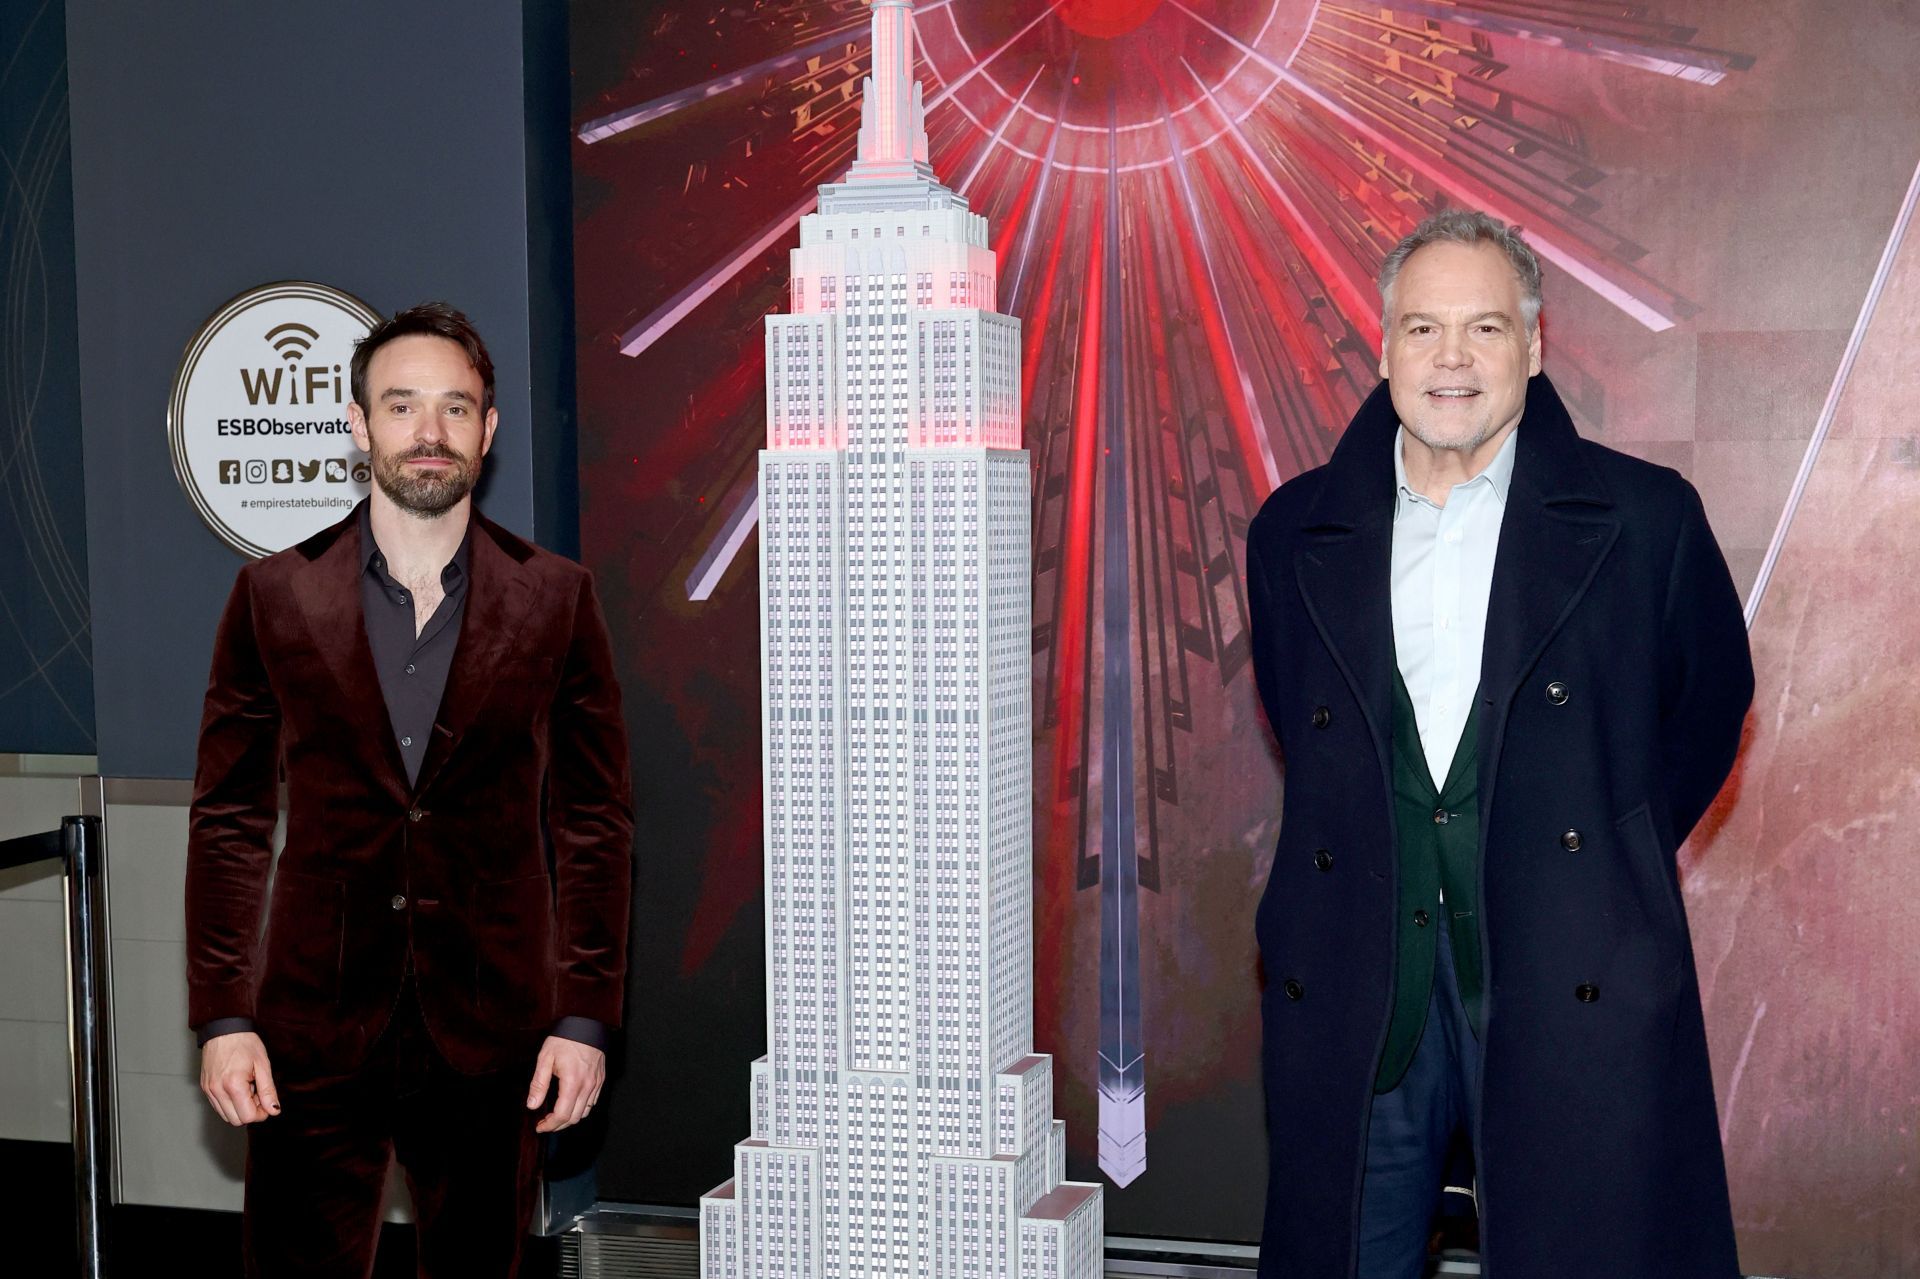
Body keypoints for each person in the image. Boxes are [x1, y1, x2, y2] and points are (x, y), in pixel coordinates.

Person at [1243, 210, 1751, 1278]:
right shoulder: (1292, 531)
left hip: (1569, 976)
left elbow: (1706, 710)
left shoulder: (1646, 519)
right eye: (1423, 330)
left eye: (1484, 328)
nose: (1453, 360)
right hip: (1359, 985)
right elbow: (1309, 723)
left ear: (1534, 343)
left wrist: (1600, 858)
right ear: (1383, 348)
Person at [185, 302, 634, 1277]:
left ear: (489, 428)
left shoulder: (557, 596)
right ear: (358, 424)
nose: (430, 432)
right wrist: (224, 1016)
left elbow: (593, 819)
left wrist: (584, 1016)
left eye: (455, 408)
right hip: (310, 1026)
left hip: (494, 1026)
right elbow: (229, 818)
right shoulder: (272, 595)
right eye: (401, 406)